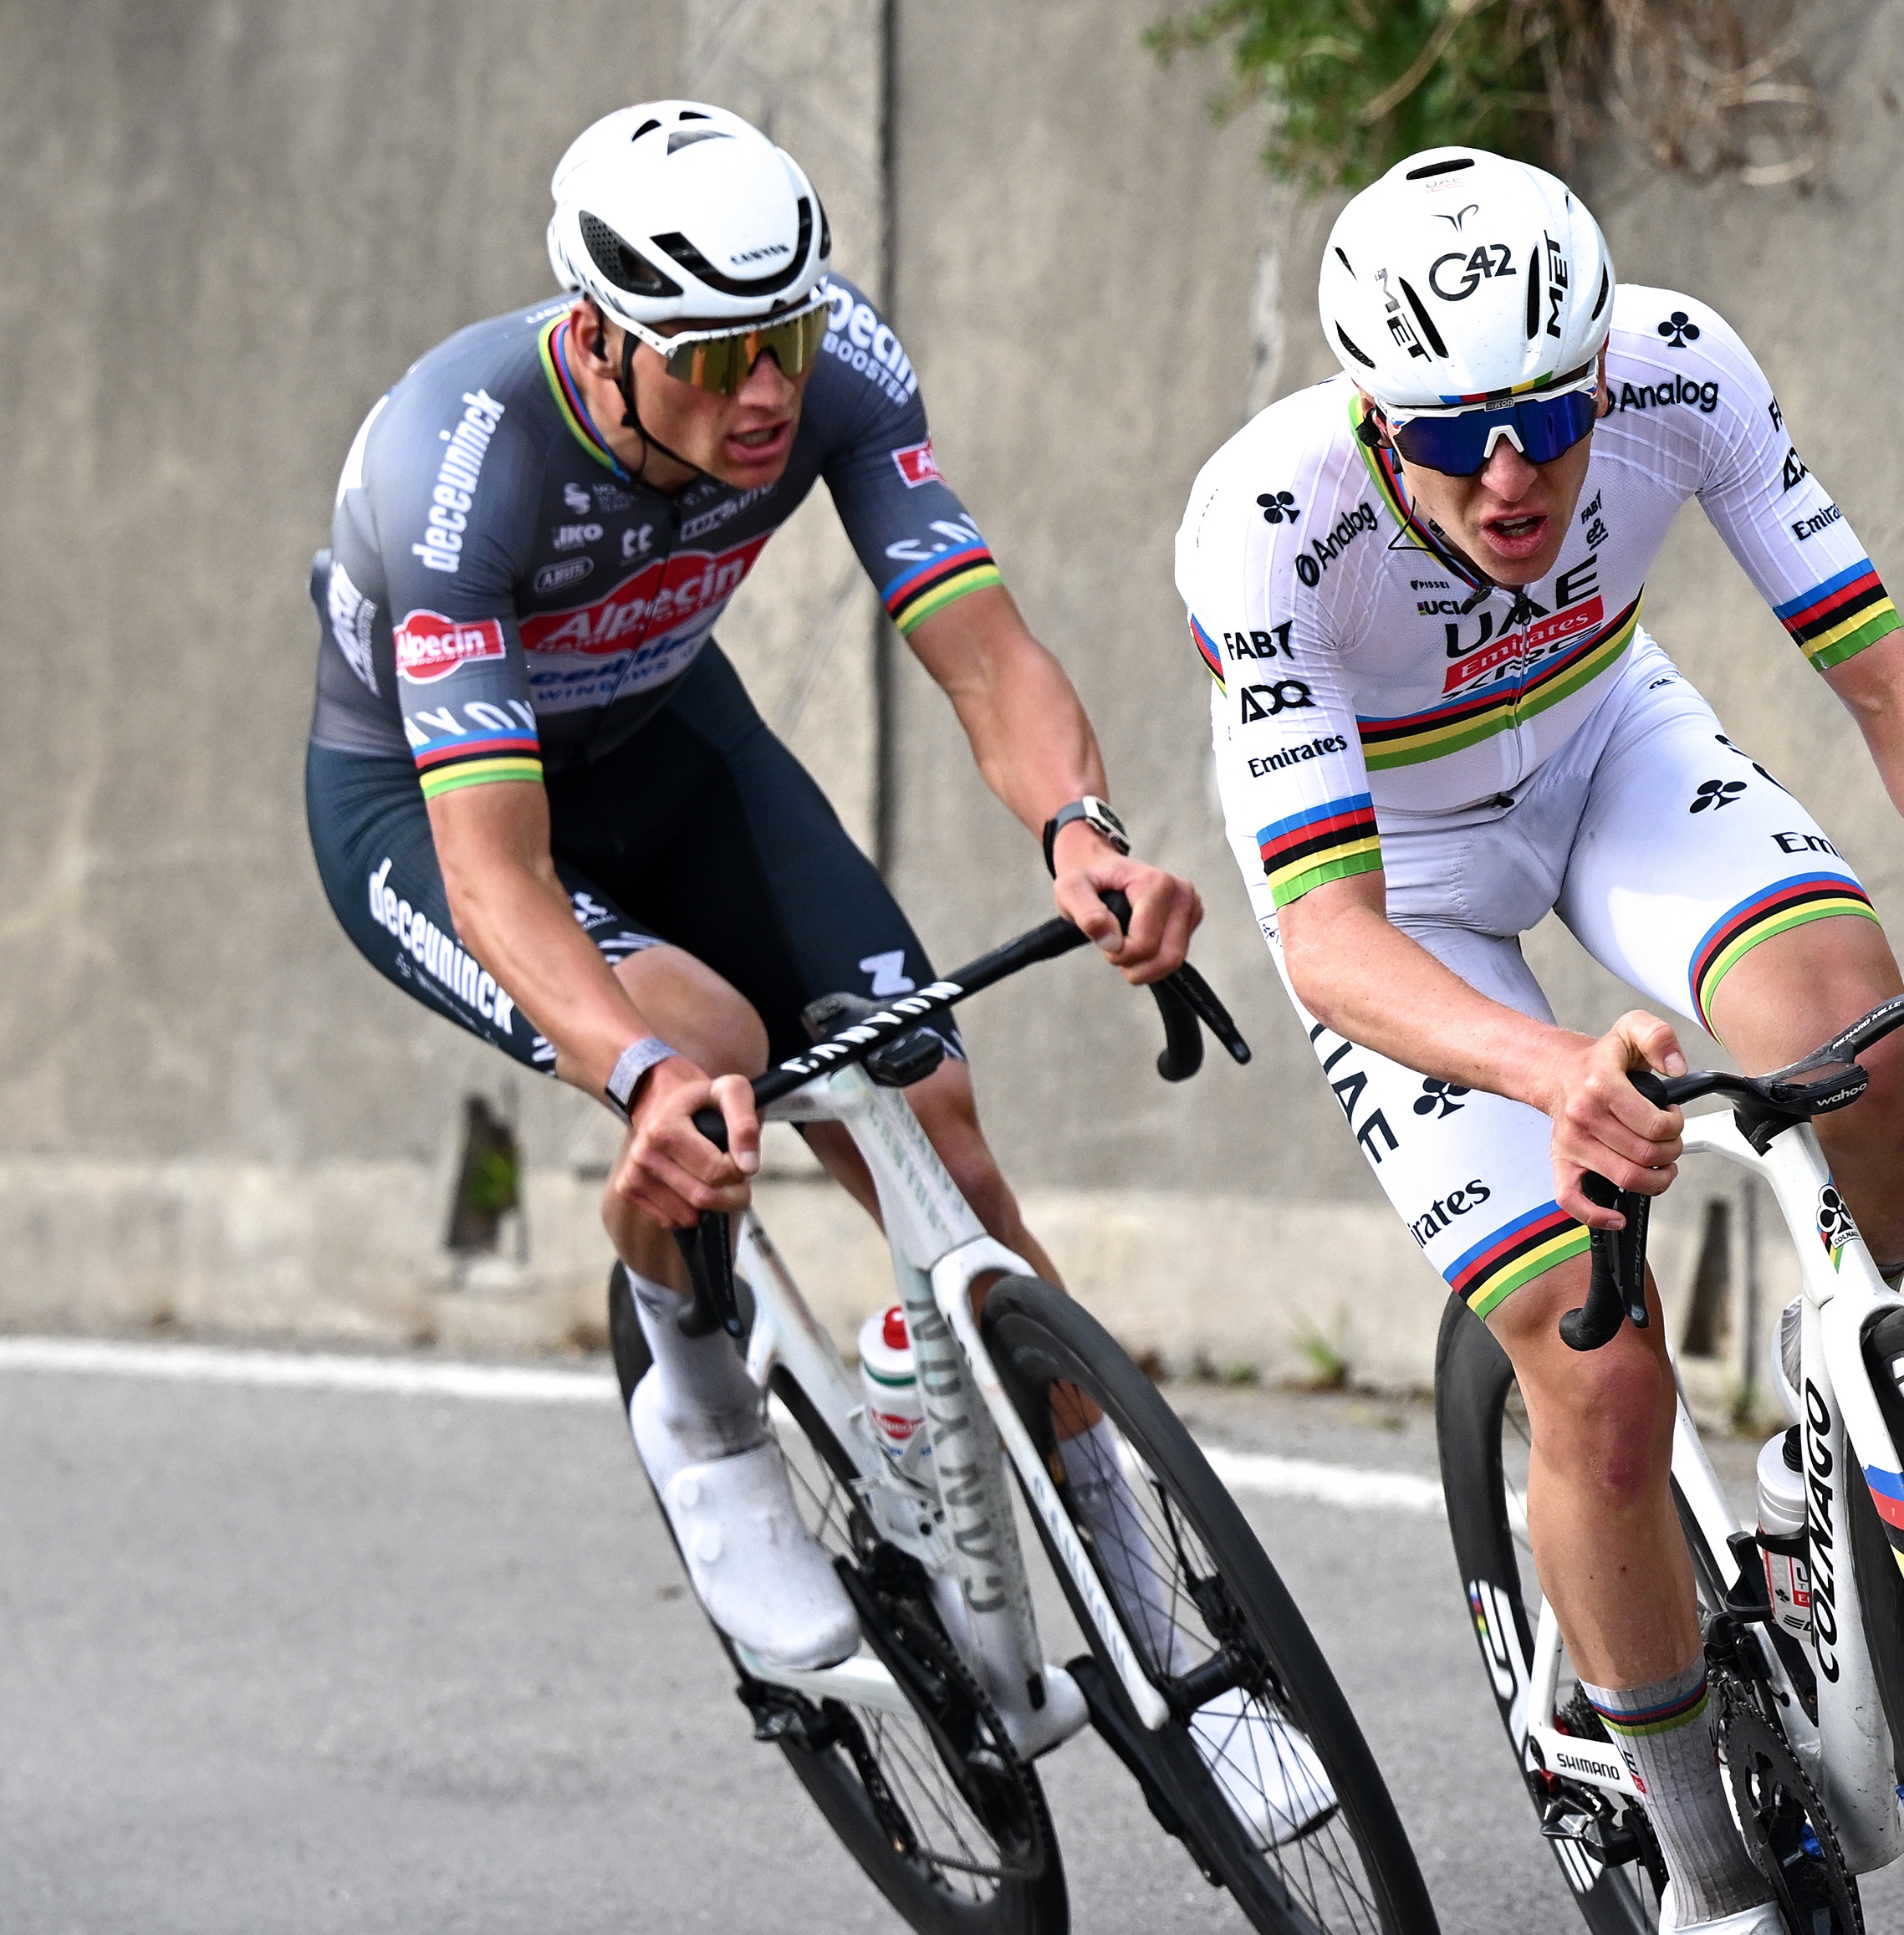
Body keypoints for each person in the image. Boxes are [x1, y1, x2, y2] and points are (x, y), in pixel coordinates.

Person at [1171, 148, 1904, 1935]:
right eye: (1456, 440)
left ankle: (1832, 1475)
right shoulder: (1266, 523)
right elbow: (1336, 940)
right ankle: (1708, 1885)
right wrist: (1550, 1077)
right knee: (1598, 1376)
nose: (1515, 478)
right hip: (1398, 885)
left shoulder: (1680, 374)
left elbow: (1876, 669)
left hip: (1611, 748)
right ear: (1375, 411)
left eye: (1547, 419)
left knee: (1852, 1049)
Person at [306, 104, 1320, 1834]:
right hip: (437, 810)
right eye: (715, 359)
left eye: (780, 337)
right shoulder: (455, 464)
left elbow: (984, 650)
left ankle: (1176, 1663)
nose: (763, 392)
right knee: (698, 1057)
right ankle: (705, 1423)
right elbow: (496, 870)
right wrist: (630, 1077)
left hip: (669, 745)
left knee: (932, 1104)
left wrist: (1079, 830)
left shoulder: (833, 364)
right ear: (604, 341)